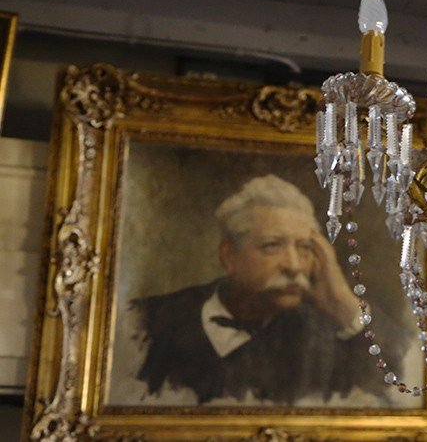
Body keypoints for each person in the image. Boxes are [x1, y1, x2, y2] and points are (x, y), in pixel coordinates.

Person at [129, 174, 379, 405]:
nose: (293, 266)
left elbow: (397, 391)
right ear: (229, 256)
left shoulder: (326, 333)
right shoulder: (145, 324)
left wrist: (346, 306)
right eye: (272, 246)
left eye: (304, 247)